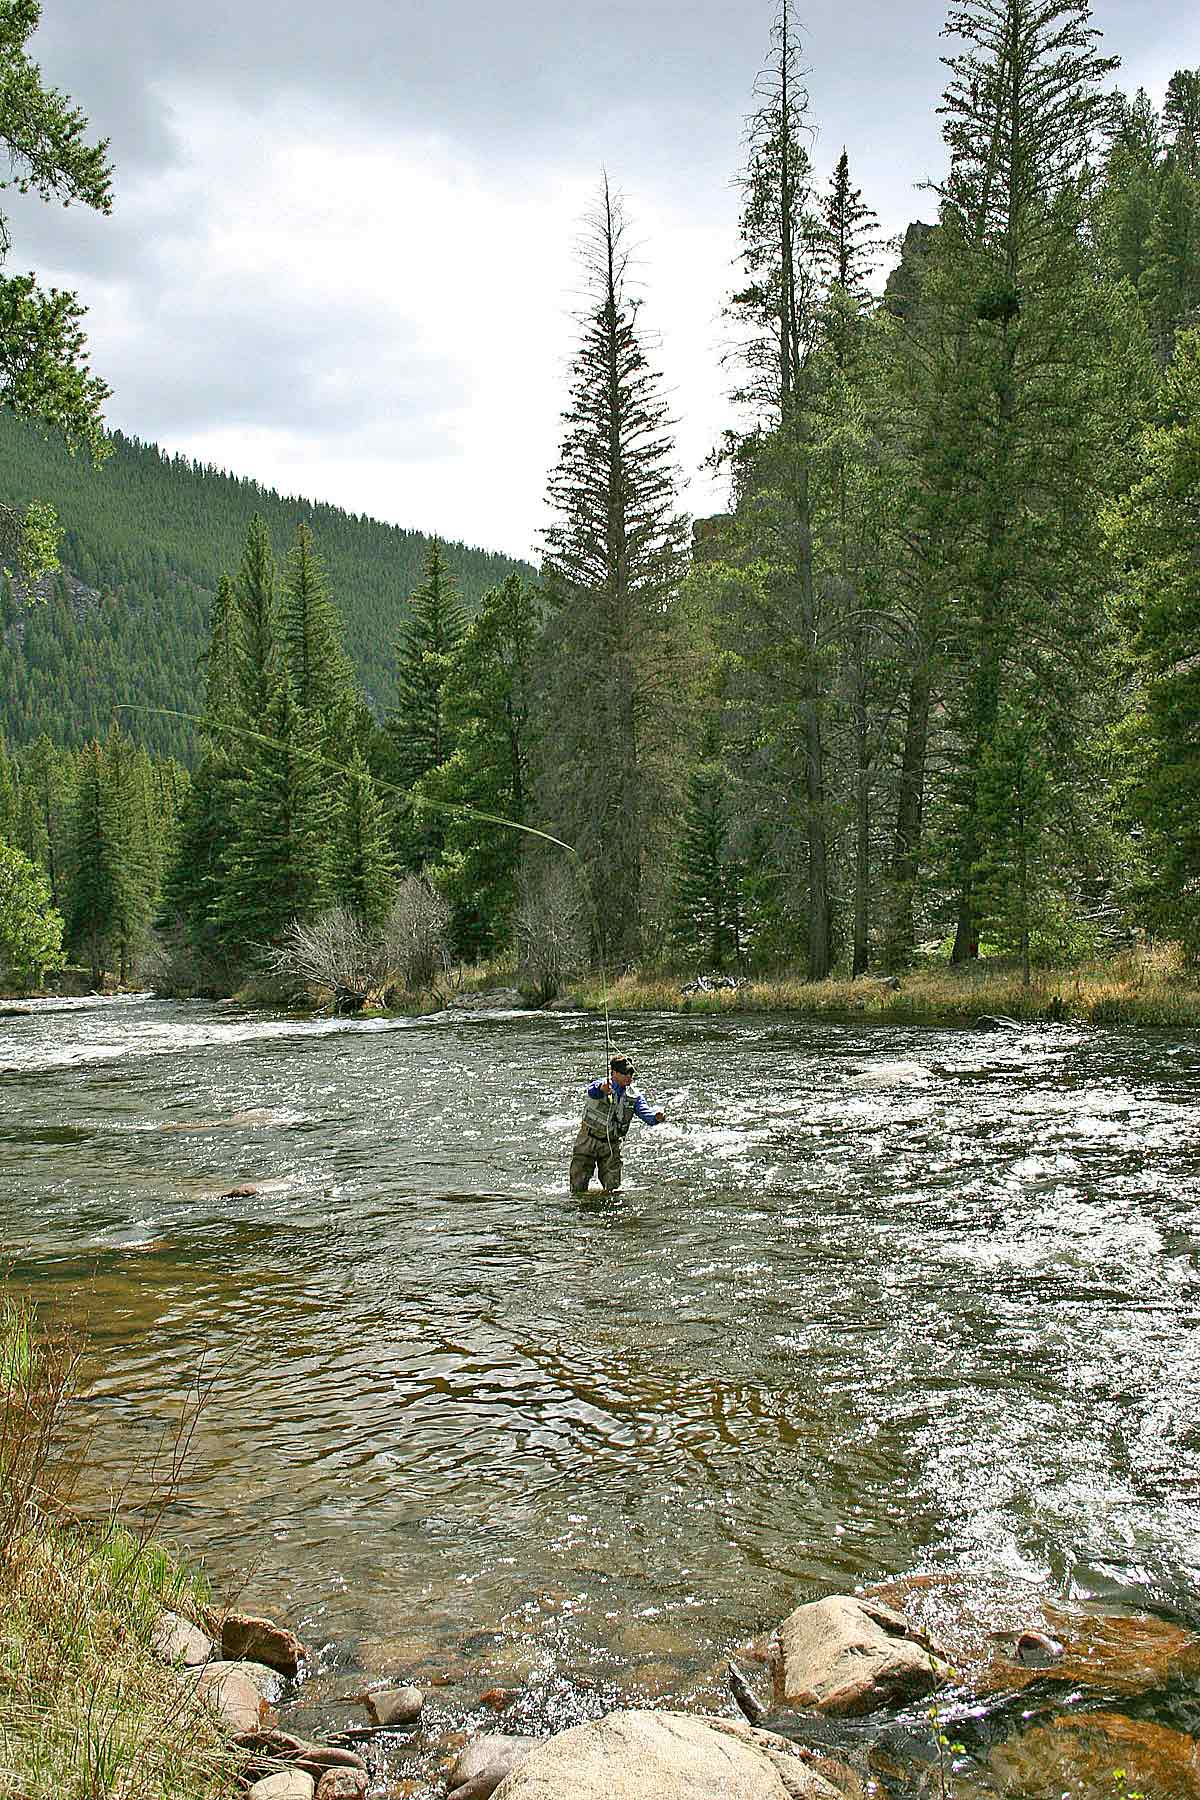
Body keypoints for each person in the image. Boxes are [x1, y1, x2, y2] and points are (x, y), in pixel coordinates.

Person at [569, 1051, 665, 1194]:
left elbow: (648, 1116)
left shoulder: (635, 1097)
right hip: (587, 1140)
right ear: (613, 1073)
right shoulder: (601, 1085)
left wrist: (656, 1117)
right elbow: (592, 1091)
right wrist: (603, 1089)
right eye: (625, 1073)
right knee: (578, 1188)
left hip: (612, 1146)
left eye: (631, 1073)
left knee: (613, 1190)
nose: (629, 1077)